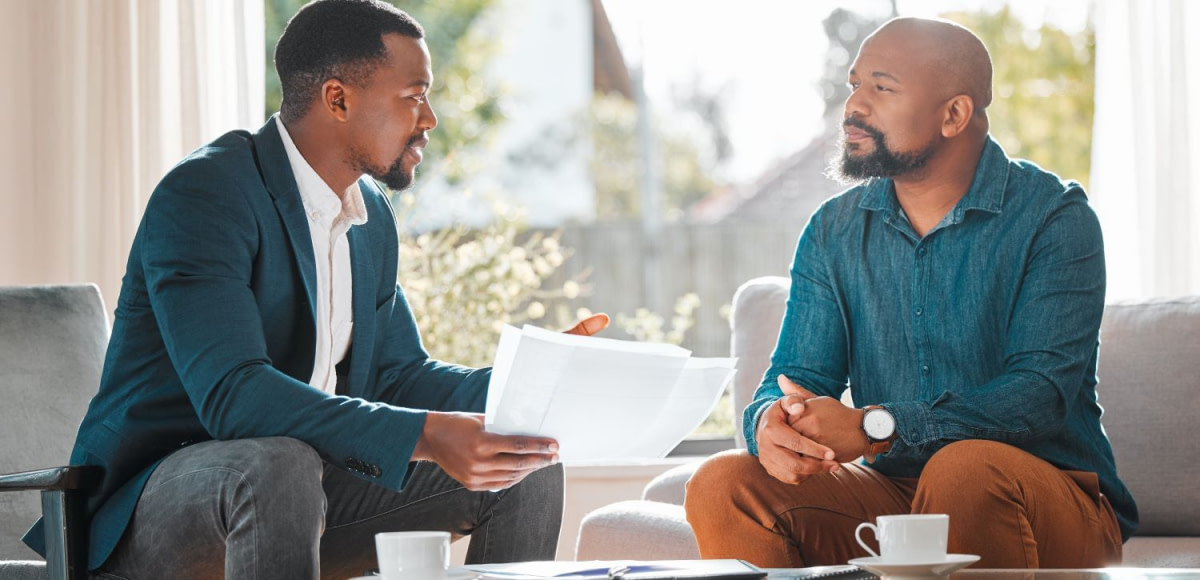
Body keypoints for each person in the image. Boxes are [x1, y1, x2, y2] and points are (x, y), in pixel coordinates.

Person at [22, 1, 608, 578]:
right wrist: (427, 435)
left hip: (298, 492)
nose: (429, 118)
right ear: (338, 99)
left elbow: (399, 375)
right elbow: (234, 395)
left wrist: (534, 380)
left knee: (521, 463)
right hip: (154, 505)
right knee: (280, 464)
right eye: (414, 95)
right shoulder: (207, 193)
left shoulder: (368, 216)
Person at [684, 17, 1136, 569]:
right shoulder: (832, 230)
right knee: (723, 483)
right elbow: (793, 378)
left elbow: (1038, 396)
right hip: (892, 497)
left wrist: (875, 426)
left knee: (963, 471)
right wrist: (770, 426)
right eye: (854, 84)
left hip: (1045, 495)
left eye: (882, 87)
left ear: (954, 115)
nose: (854, 106)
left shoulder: (1054, 217)